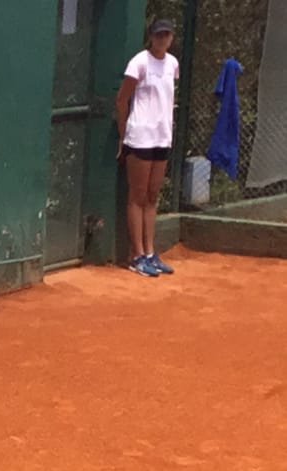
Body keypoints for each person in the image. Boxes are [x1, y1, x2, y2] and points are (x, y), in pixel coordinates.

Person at [115, 18, 179, 277]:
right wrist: (123, 135)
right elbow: (122, 100)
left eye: (167, 35)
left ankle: (151, 253)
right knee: (137, 196)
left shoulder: (173, 64)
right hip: (140, 136)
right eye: (158, 35)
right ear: (151, 37)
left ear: (171, 38)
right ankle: (137, 255)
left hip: (162, 137)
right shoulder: (139, 62)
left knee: (152, 195)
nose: (162, 39)